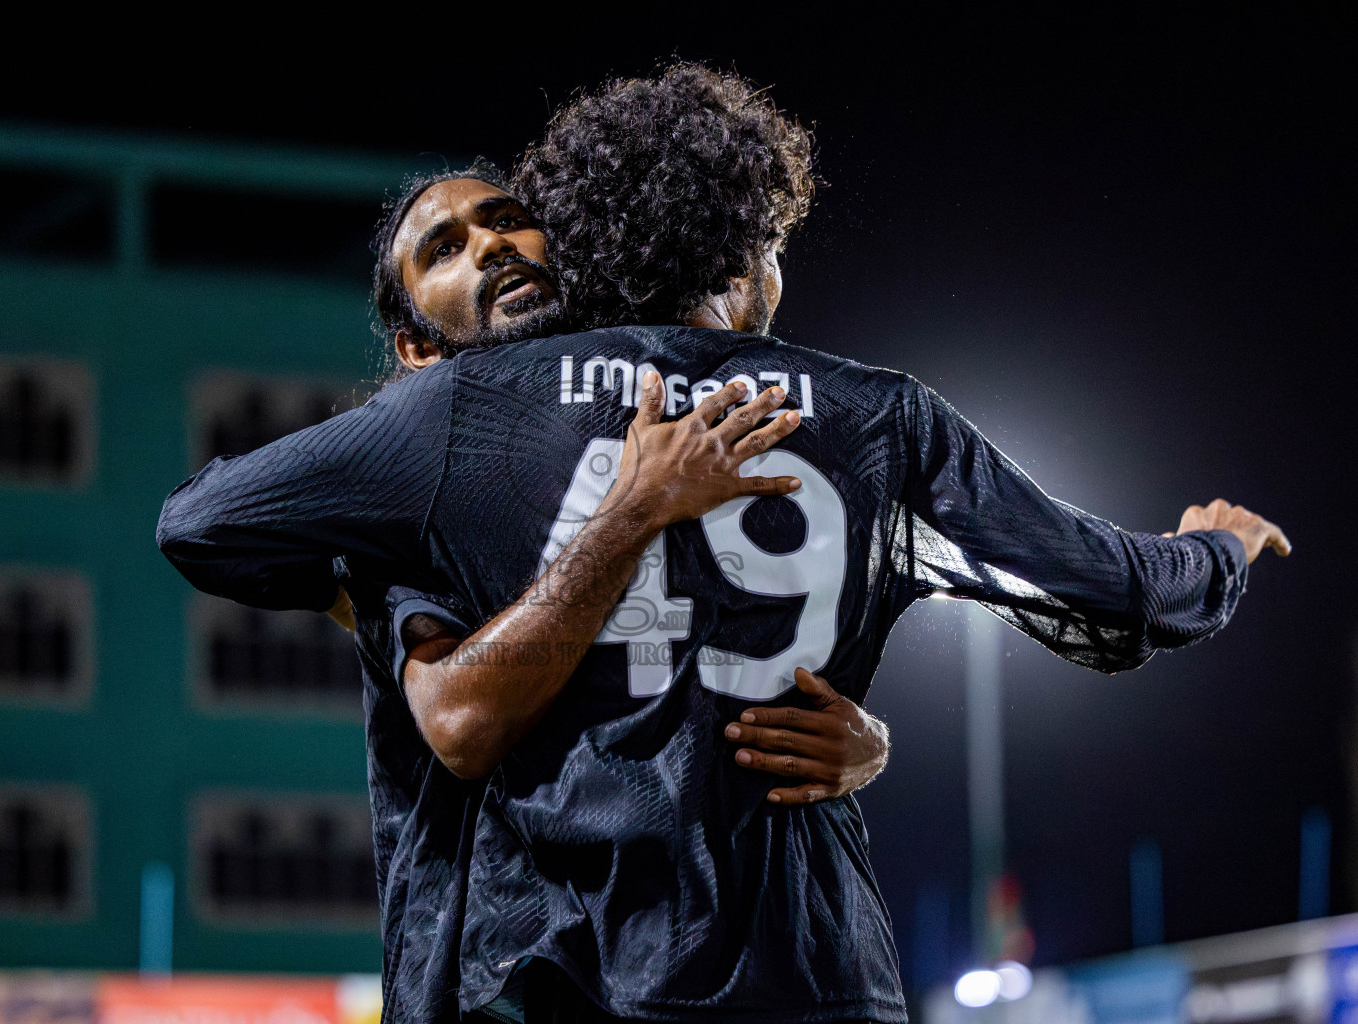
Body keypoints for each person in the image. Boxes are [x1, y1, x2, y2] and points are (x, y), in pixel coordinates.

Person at [159, 64, 1288, 1023]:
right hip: (815, 962)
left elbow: (202, 520)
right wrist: (1217, 553)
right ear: (751, 252)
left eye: (508, 219)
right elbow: (1124, 589)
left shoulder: (463, 423)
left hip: (575, 965)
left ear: (585, 235)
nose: (493, 248)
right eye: (446, 246)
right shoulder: (877, 411)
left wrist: (864, 741)